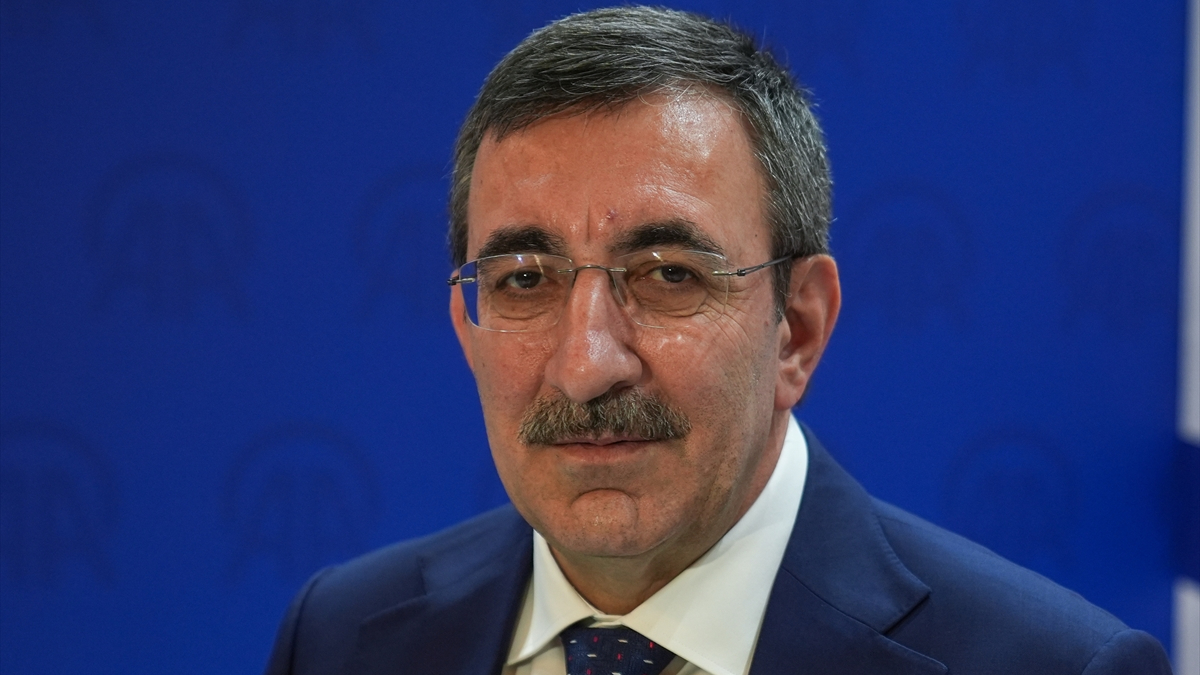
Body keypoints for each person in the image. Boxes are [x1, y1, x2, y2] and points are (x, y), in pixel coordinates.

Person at [263, 7, 1173, 674]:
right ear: (467, 324)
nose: (586, 365)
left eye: (667, 274)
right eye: (525, 280)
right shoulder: (340, 635)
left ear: (797, 328)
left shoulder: (1052, 664)